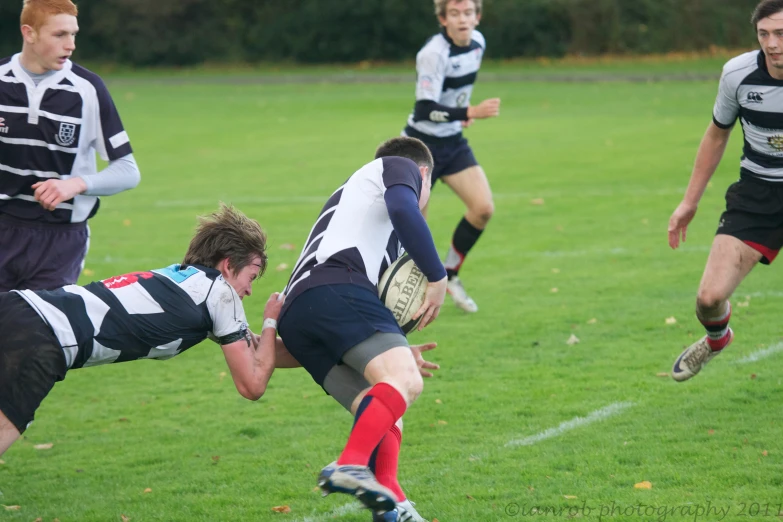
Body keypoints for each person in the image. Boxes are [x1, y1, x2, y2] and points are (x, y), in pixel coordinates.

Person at [0, 204, 295, 457]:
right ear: (229, 265)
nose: (250, 290)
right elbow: (252, 385)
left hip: (17, 306)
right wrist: (271, 319)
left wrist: (325, 352)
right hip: (44, 339)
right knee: (8, 424)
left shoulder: (186, 281)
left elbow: (257, 351)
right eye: (251, 277)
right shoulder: (219, 293)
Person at [277, 136, 447, 521]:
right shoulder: (397, 166)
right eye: (429, 189)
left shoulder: (364, 219)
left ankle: (392, 501)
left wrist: (397, 349)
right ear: (423, 175)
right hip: (335, 285)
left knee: (385, 402)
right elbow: (405, 208)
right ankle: (350, 464)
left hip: (300, 315)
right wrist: (438, 276)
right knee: (407, 382)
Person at [669, 0, 783, 381]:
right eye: (764, 34)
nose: (772, 43)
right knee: (709, 299)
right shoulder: (737, 74)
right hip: (757, 193)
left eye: (781, 33)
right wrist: (689, 201)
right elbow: (717, 135)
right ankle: (717, 339)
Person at [0, 0, 140, 292]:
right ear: (30, 33)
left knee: (37, 334)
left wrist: (75, 184)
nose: (71, 44)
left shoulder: (88, 89)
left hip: (59, 240)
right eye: (60, 35)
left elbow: (128, 171)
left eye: (73, 34)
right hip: (3, 228)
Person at [401, 0, 500, 314]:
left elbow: (454, 92)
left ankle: (452, 273)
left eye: (468, 13)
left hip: (452, 143)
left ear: (477, 17)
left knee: (483, 208)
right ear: (443, 20)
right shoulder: (433, 54)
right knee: (416, 230)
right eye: (454, 14)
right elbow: (424, 109)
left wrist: (459, 114)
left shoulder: (478, 43)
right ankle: (398, 298)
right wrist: (469, 111)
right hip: (420, 147)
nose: (462, 19)